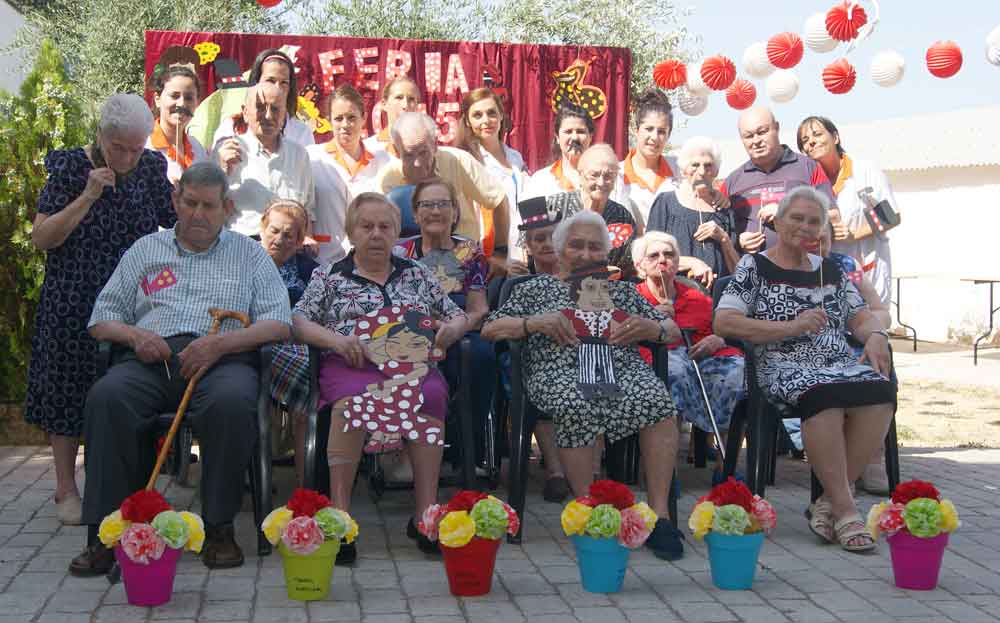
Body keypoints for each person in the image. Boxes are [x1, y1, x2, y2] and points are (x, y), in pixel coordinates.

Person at [69, 162, 291, 575]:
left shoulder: (250, 255)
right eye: (190, 203)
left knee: (230, 402)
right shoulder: (144, 250)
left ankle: (219, 527)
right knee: (107, 397)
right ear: (176, 199)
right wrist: (135, 337)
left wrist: (221, 343)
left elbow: (279, 321)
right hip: (152, 357)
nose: (197, 214)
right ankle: (107, 534)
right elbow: (101, 317)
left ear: (226, 208)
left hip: (222, 358)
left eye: (208, 206)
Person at [482, 210, 685, 560]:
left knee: (659, 403)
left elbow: (673, 330)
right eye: (577, 246)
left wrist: (651, 329)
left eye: (595, 247)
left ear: (606, 254)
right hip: (557, 370)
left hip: (619, 369)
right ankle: (590, 512)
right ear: (560, 250)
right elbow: (490, 329)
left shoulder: (620, 291)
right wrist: (533, 323)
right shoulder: (535, 288)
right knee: (576, 402)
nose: (587, 254)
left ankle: (660, 516)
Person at [714, 186, 896, 553]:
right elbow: (724, 321)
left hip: (836, 364)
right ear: (778, 222)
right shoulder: (755, 266)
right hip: (782, 365)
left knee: (880, 390)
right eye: (796, 218)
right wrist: (789, 328)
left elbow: (859, 316)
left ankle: (826, 502)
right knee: (824, 398)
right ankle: (846, 511)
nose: (805, 227)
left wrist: (875, 333)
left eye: (814, 221)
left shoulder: (829, 270)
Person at [292, 193, 468, 563]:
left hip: (413, 366)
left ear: (396, 233)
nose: (375, 234)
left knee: (431, 395)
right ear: (351, 232)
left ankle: (425, 515)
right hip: (352, 364)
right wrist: (337, 341)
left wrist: (452, 329)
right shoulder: (330, 275)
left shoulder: (416, 273)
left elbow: (455, 314)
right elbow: (298, 320)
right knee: (354, 404)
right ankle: (341, 521)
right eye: (366, 226)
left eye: (384, 226)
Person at [26, 93, 176, 527]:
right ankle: (65, 489)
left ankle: (115, 483)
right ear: (101, 137)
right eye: (119, 148)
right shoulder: (73, 168)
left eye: (136, 146)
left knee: (119, 391)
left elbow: (175, 218)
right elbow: (42, 237)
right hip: (75, 297)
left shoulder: (149, 168)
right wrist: (88, 195)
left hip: (133, 301)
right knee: (67, 391)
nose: (129, 157)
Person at [392, 178, 494, 479]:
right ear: (415, 212)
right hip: (410, 328)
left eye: (443, 204)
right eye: (427, 205)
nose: (435, 211)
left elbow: (479, 308)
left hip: (460, 326)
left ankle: (467, 455)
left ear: (454, 212)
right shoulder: (399, 252)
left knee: (481, 357)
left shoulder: (469, 252)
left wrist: (457, 327)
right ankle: (402, 454)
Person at [632, 231, 745, 483]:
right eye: (654, 255)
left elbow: (722, 329)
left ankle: (726, 468)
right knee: (672, 372)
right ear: (640, 266)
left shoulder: (694, 297)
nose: (663, 260)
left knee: (736, 372)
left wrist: (718, 339)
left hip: (701, 356)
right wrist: (656, 322)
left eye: (669, 254)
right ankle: (666, 473)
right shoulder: (633, 298)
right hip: (658, 358)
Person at [375, 112, 508, 259]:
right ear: (396, 150)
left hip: (464, 258)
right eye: (409, 154)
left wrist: (500, 253)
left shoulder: (458, 161)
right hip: (409, 266)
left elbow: (499, 199)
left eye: (423, 152)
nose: (417, 163)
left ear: (435, 143)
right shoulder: (386, 181)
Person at [797, 115, 898, 306]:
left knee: (871, 325)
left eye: (817, 134)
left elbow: (891, 216)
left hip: (867, 270)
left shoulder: (865, 170)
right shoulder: (807, 183)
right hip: (828, 276)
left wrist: (853, 235)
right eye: (805, 141)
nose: (811, 142)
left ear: (835, 137)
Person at [722, 106, 837, 254]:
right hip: (756, 273)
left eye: (762, 132)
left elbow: (832, 216)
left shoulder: (808, 167)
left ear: (776, 128)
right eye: (749, 136)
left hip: (804, 271)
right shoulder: (732, 182)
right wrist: (737, 240)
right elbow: (722, 230)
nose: (756, 141)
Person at [258, 200, 318, 482]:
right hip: (257, 343)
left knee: (317, 370)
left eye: (289, 235)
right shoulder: (243, 260)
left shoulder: (307, 268)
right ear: (262, 228)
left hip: (298, 341)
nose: (279, 239)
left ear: (298, 242)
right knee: (310, 376)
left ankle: (306, 482)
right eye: (274, 230)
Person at [214, 83, 316, 241]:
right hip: (241, 248)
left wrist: (308, 238)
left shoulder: (299, 155)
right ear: (245, 112)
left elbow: (307, 210)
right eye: (260, 107)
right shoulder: (225, 152)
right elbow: (208, 206)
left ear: (284, 116)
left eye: (275, 109)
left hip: (288, 252)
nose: (268, 115)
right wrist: (221, 170)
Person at [307, 84, 391, 265]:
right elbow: (302, 206)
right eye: (338, 118)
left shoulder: (384, 160)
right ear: (329, 120)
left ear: (364, 118)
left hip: (370, 262)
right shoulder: (312, 157)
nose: (345, 125)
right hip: (324, 260)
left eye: (352, 117)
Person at [647, 137, 739, 289]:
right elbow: (649, 257)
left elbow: (737, 270)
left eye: (708, 165)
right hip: (675, 297)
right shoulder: (666, 203)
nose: (702, 171)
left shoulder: (724, 210)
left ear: (716, 171)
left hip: (717, 300)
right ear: (684, 170)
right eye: (695, 165)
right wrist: (692, 263)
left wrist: (723, 238)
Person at [455, 87, 527, 262]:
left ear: (501, 116)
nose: (486, 121)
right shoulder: (465, 160)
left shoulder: (515, 156)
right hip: (485, 254)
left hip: (520, 251)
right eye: (477, 115)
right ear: (467, 122)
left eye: (491, 113)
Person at [212, 49, 315, 148]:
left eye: (284, 83)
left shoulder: (302, 132)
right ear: (256, 82)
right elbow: (216, 162)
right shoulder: (232, 126)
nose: (277, 88)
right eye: (270, 80)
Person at [574, 144, 641, 278]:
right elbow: (541, 258)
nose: (601, 182)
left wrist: (619, 273)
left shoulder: (622, 216)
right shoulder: (557, 209)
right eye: (594, 175)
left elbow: (630, 268)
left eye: (609, 176)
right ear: (580, 176)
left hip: (609, 291)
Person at [619, 89, 678, 225]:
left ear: (668, 135)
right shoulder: (618, 175)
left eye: (661, 131)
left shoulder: (680, 170)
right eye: (649, 129)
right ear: (636, 130)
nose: (654, 137)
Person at [146, 65, 206, 183]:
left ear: (197, 102)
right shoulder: (144, 146)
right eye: (174, 96)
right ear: (157, 99)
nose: (181, 104)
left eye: (189, 98)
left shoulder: (197, 148)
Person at [363, 75, 422, 157]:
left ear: (416, 106)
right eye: (399, 97)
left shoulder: (426, 149)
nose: (405, 105)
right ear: (384, 104)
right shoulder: (368, 148)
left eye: (411, 99)